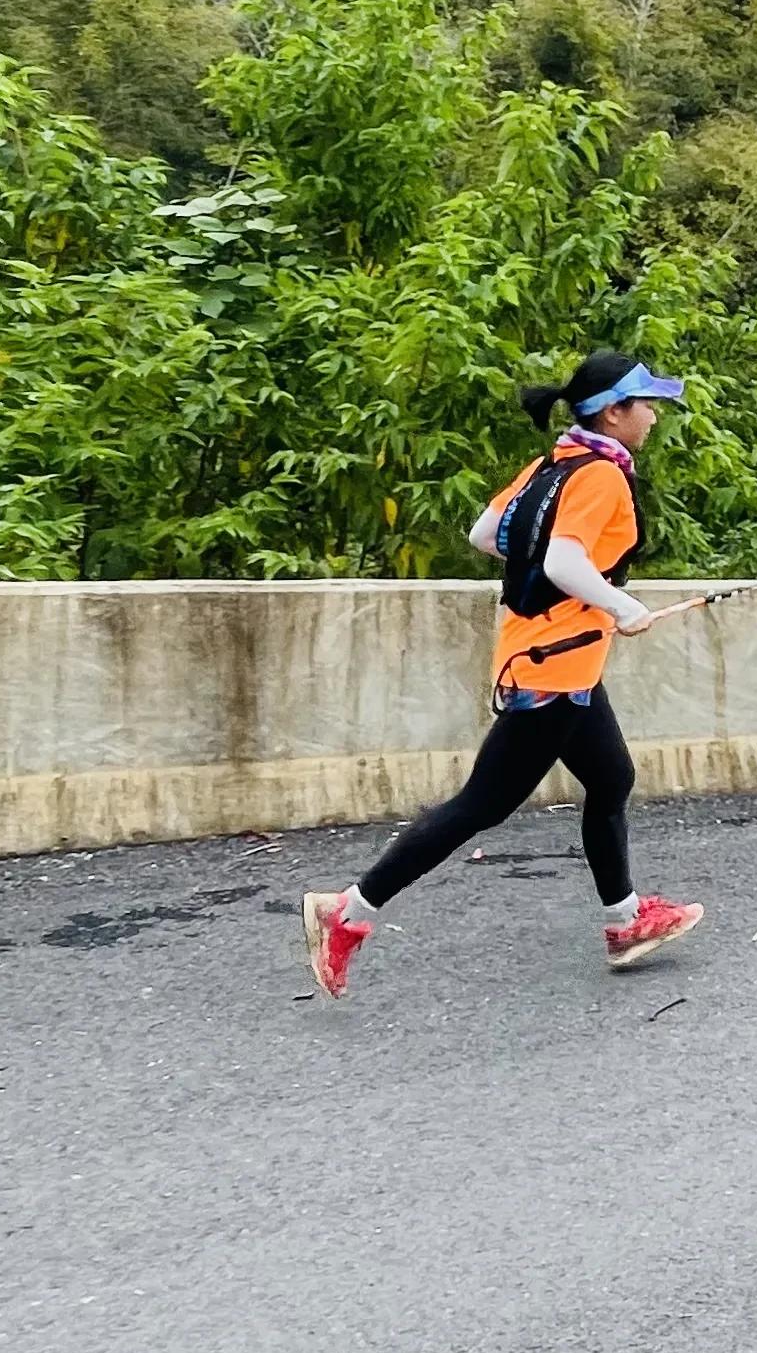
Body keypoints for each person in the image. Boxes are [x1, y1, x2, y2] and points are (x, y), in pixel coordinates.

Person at [303, 352, 709, 997]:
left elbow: (486, 532)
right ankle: (347, 914)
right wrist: (621, 605)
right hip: (553, 666)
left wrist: (579, 595)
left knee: (611, 779)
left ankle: (625, 921)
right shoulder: (601, 474)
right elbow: (561, 560)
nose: (655, 415)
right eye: (647, 404)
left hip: (555, 656)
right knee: (481, 805)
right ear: (613, 411)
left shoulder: (554, 464)